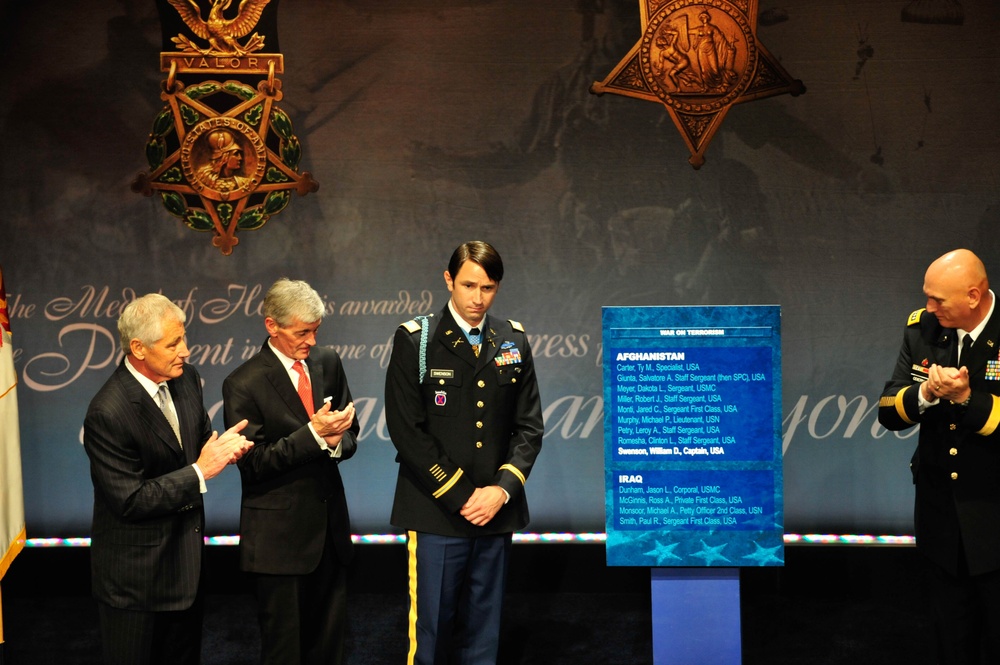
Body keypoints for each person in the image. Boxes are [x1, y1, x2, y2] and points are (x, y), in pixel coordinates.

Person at [384, 241, 544, 664]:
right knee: (431, 636)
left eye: (488, 288)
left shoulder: (513, 339)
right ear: (448, 280)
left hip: (495, 514)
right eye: (469, 285)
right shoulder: (416, 341)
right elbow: (407, 432)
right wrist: (461, 495)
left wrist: (501, 491)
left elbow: (529, 427)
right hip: (435, 512)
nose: (477, 298)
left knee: (483, 637)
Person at [83, 293, 251, 665]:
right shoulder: (108, 412)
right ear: (139, 348)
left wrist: (222, 448)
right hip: (136, 586)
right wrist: (200, 471)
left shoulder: (186, 379)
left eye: (184, 339)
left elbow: (197, 440)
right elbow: (130, 500)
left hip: (186, 571)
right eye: (173, 343)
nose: (186, 351)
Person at [222, 278, 358, 665]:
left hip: (330, 535)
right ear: (272, 326)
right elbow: (252, 463)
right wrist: (314, 435)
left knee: (330, 649)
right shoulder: (243, 383)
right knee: (284, 651)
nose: (311, 341)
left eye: (316, 331)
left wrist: (334, 442)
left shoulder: (327, 362)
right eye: (302, 332)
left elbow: (351, 435)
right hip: (277, 545)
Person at [878, 248, 1000, 664]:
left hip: (995, 518)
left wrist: (967, 399)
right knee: (951, 644)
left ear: (973, 295)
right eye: (927, 297)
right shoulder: (923, 328)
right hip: (941, 520)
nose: (928, 307)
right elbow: (888, 409)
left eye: (938, 299)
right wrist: (926, 394)